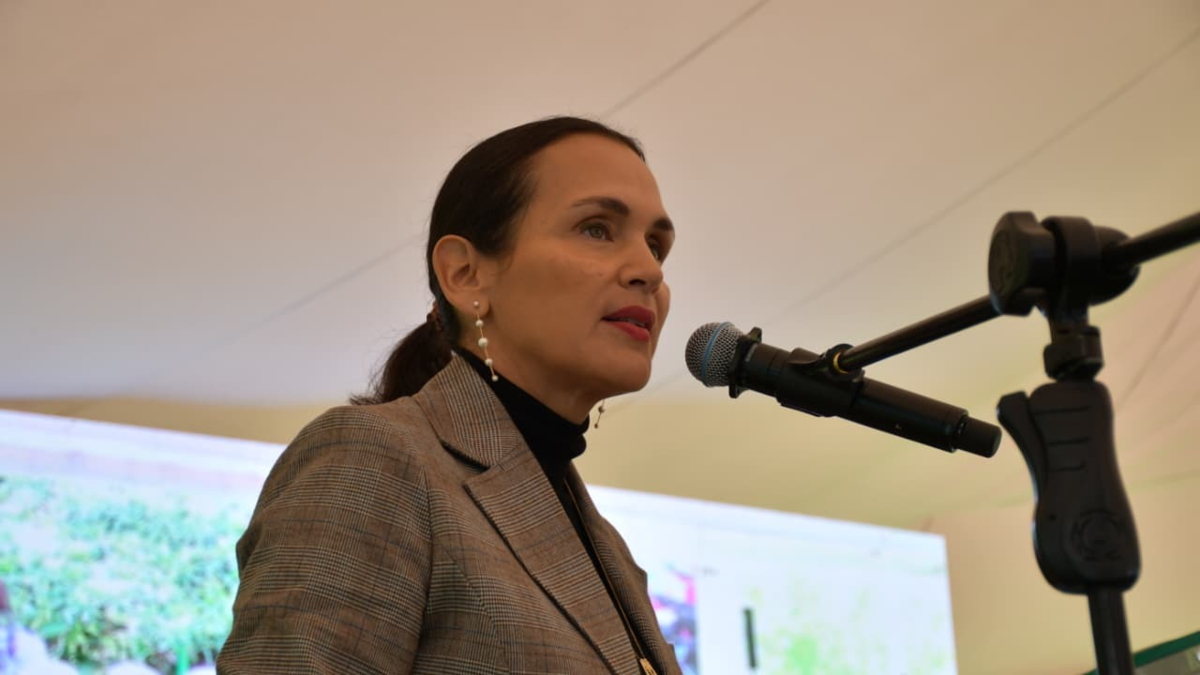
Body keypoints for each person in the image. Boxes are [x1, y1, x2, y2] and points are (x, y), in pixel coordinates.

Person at [217, 116, 680, 674]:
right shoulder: (374, 459)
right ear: (464, 274)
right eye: (596, 229)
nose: (648, 271)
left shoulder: (607, 548)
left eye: (656, 246)